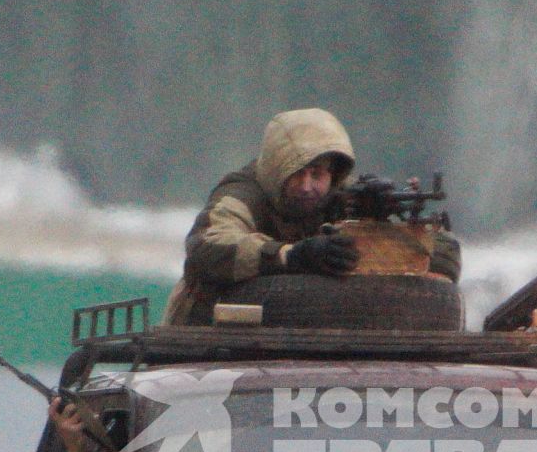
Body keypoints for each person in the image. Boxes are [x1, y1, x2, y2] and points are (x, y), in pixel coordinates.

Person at [160, 107, 459, 325]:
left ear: (333, 174)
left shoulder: (345, 199)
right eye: (296, 175)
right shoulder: (243, 193)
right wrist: (292, 256)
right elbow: (208, 246)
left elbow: (445, 254)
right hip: (208, 331)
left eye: (317, 175)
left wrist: (382, 224)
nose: (307, 187)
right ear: (277, 171)